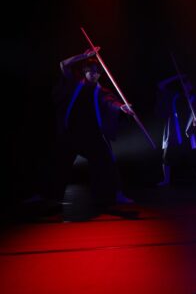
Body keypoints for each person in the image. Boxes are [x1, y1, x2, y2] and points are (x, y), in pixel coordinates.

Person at [51, 48, 135, 207]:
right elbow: (63, 64)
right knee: (59, 163)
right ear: (85, 71)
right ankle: (47, 195)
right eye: (92, 71)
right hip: (72, 132)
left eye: (98, 72)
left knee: (108, 162)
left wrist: (121, 107)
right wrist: (83, 56)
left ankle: (117, 195)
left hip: (93, 133)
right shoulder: (75, 83)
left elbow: (111, 102)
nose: (95, 74)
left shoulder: (101, 91)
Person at [156, 74, 196, 187]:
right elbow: (160, 85)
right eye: (184, 84)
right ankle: (166, 180)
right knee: (167, 155)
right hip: (174, 129)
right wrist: (176, 76)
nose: (186, 86)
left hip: (190, 130)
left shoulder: (194, 97)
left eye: (188, 84)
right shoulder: (174, 96)